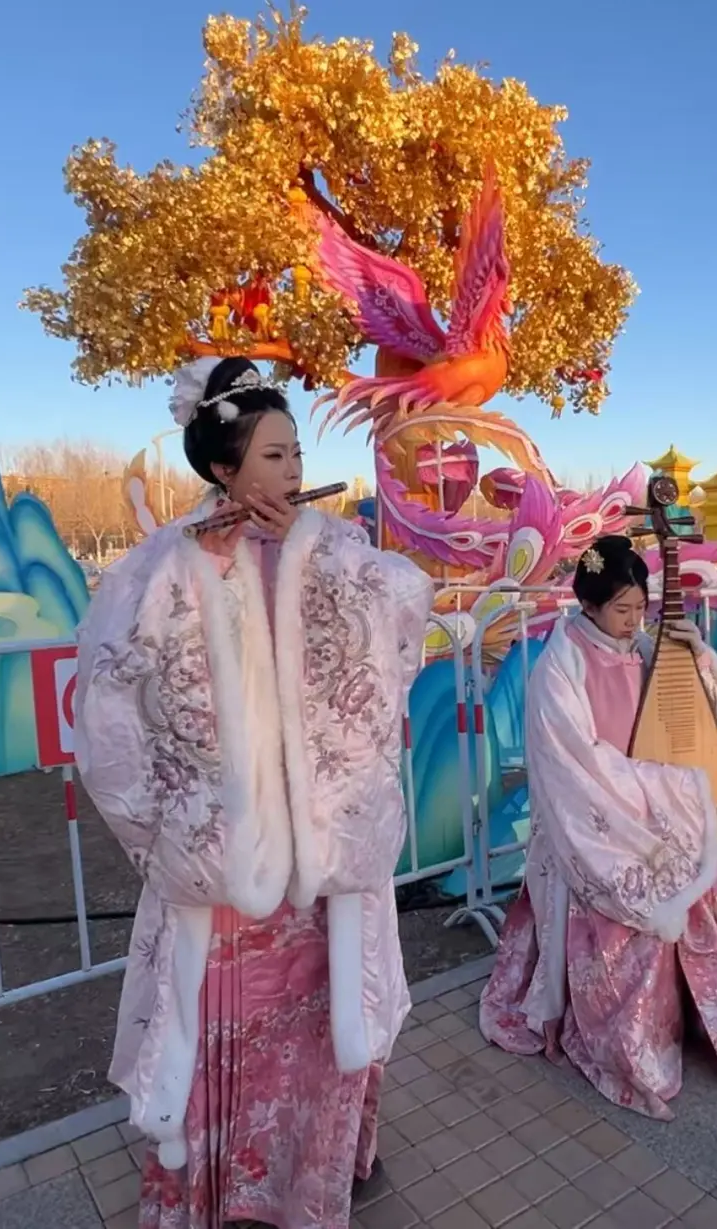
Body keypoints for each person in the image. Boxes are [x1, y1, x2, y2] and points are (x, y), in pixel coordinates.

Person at [74, 356, 433, 1229]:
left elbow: (404, 622)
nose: (294, 471)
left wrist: (318, 559)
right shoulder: (163, 566)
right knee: (216, 1020)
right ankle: (221, 1188)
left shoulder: (333, 547)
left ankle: (316, 1177)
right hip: (222, 856)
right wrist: (182, 821)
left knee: (324, 1016)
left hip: (321, 847)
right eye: (273, 456)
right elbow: (113, 702)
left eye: (297, 453)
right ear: (222, 468)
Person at [479, 535, 717, 1120]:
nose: (635, 619)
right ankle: (636, 1041)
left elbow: (707, 720)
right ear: (588, 604)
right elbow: (576, 767)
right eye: (622, 609)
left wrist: (699, 659)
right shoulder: (559, 668)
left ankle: (707, 1022)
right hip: (590, 825)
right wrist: (666, 790)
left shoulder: (647, 651)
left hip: (652, 812)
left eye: (641, 607)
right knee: (639, 910)